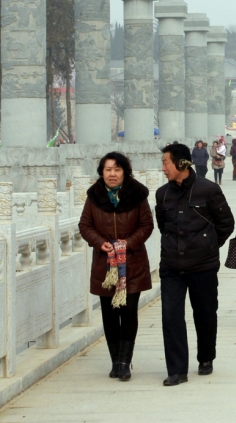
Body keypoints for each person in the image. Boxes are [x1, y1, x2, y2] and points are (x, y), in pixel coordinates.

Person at [156, 143, 235, 386]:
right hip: (171, 267)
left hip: (203, 266)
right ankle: (177, 369)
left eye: (166, 163)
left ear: (181, 164)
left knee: (205, 313)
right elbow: (163, 226)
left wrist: (208, 245)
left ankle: (206, 357)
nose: (163, 168)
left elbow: (226, 224)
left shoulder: (208, 190)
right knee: (170, 316)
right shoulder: (162, 194)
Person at [79, 152, 153, 381]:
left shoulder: (137, 195)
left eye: (117, 169)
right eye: (108, 169)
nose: (112, 174)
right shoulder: (94, 196)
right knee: (110, 314)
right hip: (105, 266)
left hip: (132, 262)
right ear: (102, 172)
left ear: (125, 172)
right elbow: (85, 225)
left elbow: (146, 225)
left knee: (129, 311)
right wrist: (101, 243)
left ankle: (124, 361)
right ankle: (115, 361)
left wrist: (127, 244)